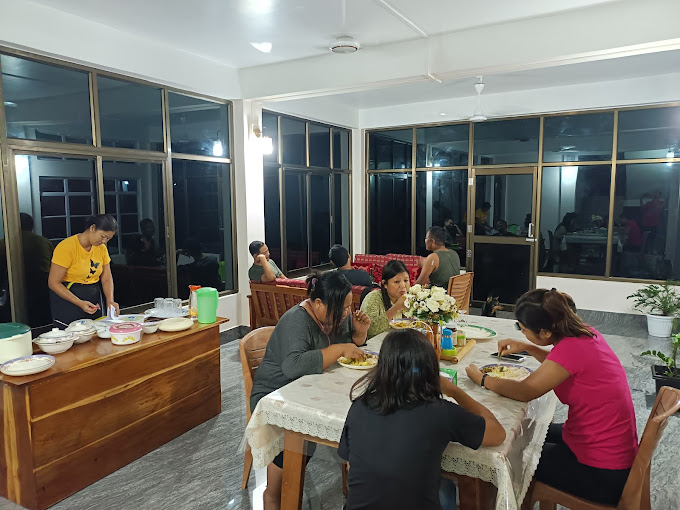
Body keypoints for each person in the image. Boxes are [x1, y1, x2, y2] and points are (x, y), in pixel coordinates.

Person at [465, 289, 638, 506]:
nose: (522, 332)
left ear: (546, 332)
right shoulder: (583, 333)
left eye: (524, 329)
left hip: (602, 472)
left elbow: (525, 391)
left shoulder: (571, 349)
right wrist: (528, 347)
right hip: (606, 448)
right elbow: (562, 365)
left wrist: (482, 379)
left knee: (511, 455)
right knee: (526, 431)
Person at [339, 329, 506, 510]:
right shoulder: (441, 412)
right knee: (447, 487)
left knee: (442, 487)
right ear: (430, 370)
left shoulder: (359, 406)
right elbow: (498, 434)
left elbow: (351, 466)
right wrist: (455, 392)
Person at [250, 271, 370, 510]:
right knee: (294, 442)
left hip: (312, 389)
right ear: (317, 304)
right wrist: (339, 350)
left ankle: (292, 485)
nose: (346, 313)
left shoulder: (335, 315)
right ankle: (273, 497)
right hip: (276, 395)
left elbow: (346, 346)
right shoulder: (297, 319)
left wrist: (358, 333)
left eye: (349, 306)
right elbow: (293, 365)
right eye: (342, 308)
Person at [48, 214, 119, 325]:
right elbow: (53, 283)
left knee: (96, 333)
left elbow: (106, 277)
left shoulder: (101, 248)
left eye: (108, 238)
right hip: (69, 298)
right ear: (92, 228)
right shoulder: (66, 247)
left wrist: (110, 301)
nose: (104, 241)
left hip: (93, 296)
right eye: (102, 236)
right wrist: (79, 303)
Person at [0, 213, 54, 326]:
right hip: (41, 283)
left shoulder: (5, 243)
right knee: (41, 318)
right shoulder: (43, 241)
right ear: (32, 226)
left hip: (13, 285)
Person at [360, 260, 410, 339]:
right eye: (397, 282)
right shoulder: (374, 298)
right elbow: (370, 330)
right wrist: (396, 308)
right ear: (385, 284)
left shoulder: (408, 298)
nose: (403, 286)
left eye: (406, 280)